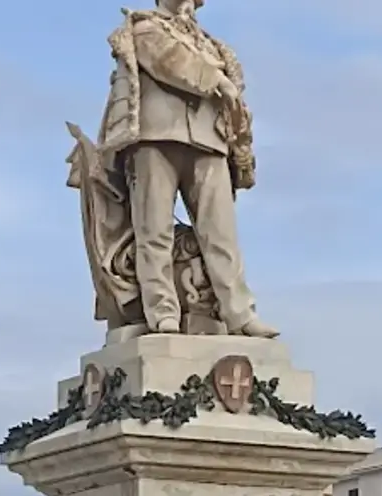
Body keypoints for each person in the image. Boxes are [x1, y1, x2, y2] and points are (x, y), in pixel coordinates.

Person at [96, 0, 279, 338]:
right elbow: (169, 62)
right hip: (155, 135)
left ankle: (239, 314)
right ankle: (163, 312)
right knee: (154, 231)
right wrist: (217, 80)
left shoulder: (211, 43)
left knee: (221, 233)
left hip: (209, 140)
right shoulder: (145, 26)